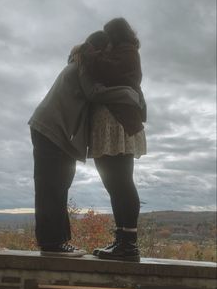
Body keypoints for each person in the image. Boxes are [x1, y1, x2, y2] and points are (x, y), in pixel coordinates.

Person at [28, 30, 143, 257]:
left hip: (50, 129)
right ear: (98, 50)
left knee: (55, 184)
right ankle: (53, 244)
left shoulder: (78, 61)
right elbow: (94, 93)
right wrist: (129, 95)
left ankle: (55, 243)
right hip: (52, 129)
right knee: (53, 185)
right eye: (106, 52)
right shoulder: (83, 63)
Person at [81, 18, 147, 262]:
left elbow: (106, 70)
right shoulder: (120, 53)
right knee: (114, 184)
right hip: (109, 126)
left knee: (121, 183)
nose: (105, 43)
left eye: (108, 37)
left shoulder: (128, 52)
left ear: (116, 36)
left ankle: (129, 244)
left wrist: (88, 51)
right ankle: (121, 240)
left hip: (117, 125)